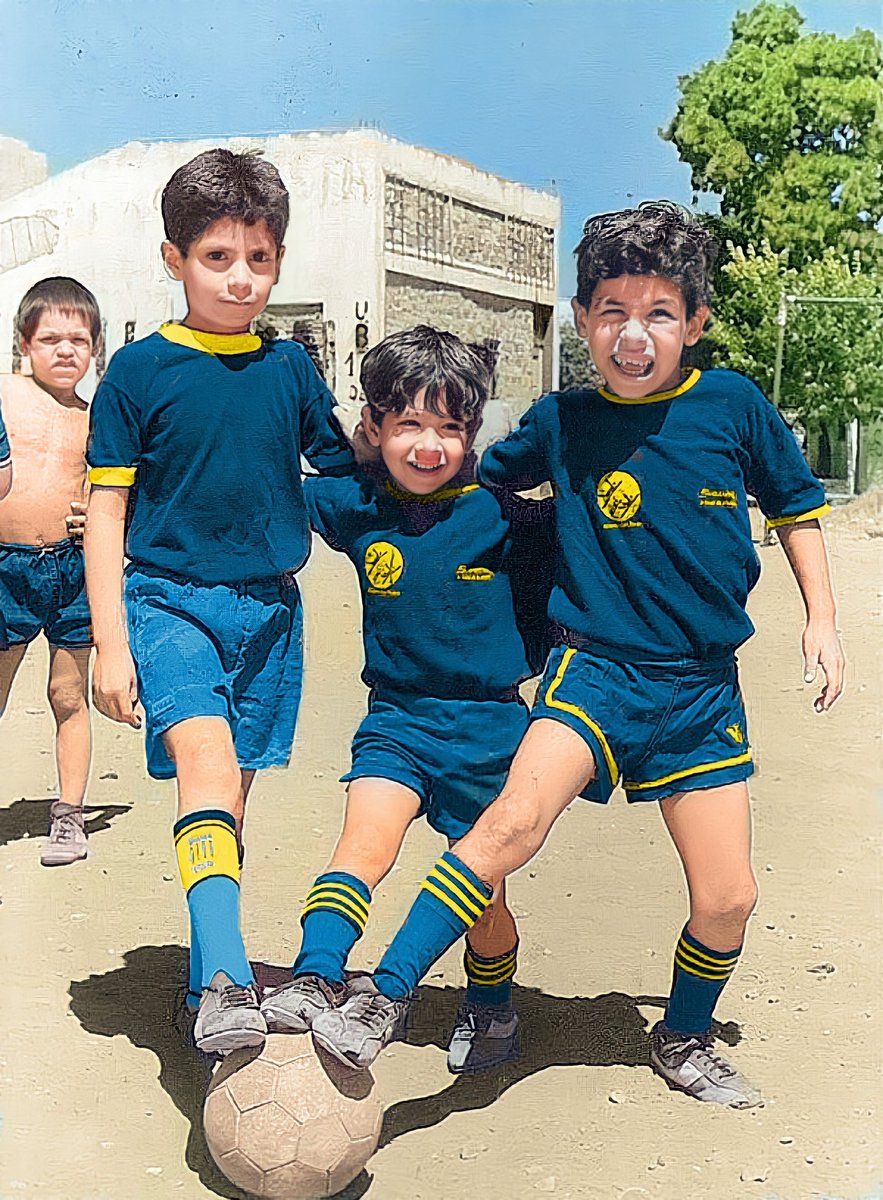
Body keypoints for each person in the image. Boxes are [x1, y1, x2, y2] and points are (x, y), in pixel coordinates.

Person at [310, 202, 844, 1107]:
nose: (633, 336)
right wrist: (377, 452)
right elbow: (464, 471)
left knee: (729, 897)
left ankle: (682, 1035)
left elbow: (794, 507)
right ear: (584, 318)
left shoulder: (733, 405)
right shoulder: (559, 421)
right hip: (592, 670)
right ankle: (384, 997)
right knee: (507, 827)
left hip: (702, 692)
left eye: (659, 314)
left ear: (695, 322)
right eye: (610, 313)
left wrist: (820, 617)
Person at [85, 148, 354, 1055]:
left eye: (260, 259)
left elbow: (344, 474)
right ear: (175, 259)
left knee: (230, 804)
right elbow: (108, 511)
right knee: (204, 772)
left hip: (271, 615)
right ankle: (233, 981)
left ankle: (207, 979)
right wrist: (112, 644)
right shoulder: (138, 372)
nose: (241, 279)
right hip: (169, 604)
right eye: (217, 258)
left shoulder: (291, 370)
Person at [261, 326, 553, 1074]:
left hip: (491, 734)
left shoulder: (507, 517)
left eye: (450, 428)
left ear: (473, 433)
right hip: (394, 720)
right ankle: (317, 975)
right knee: (363, 844)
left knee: (481, 902)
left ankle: (490, 1009)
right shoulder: (356, 505)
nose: (429, 446)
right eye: (409, 426)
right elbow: (251, 489)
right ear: (375, 429)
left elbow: (603, 551)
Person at [0, 278, 100, 867]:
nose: (66, 351)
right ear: (24, 344)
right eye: (51, 339)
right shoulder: (6, 395)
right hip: (5, 565)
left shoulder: (95, 417)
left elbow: (116, 488)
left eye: (79, 340)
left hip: (70, 568)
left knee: (69, 694)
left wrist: (102, 515)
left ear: (95, 349)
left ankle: (69, 816)